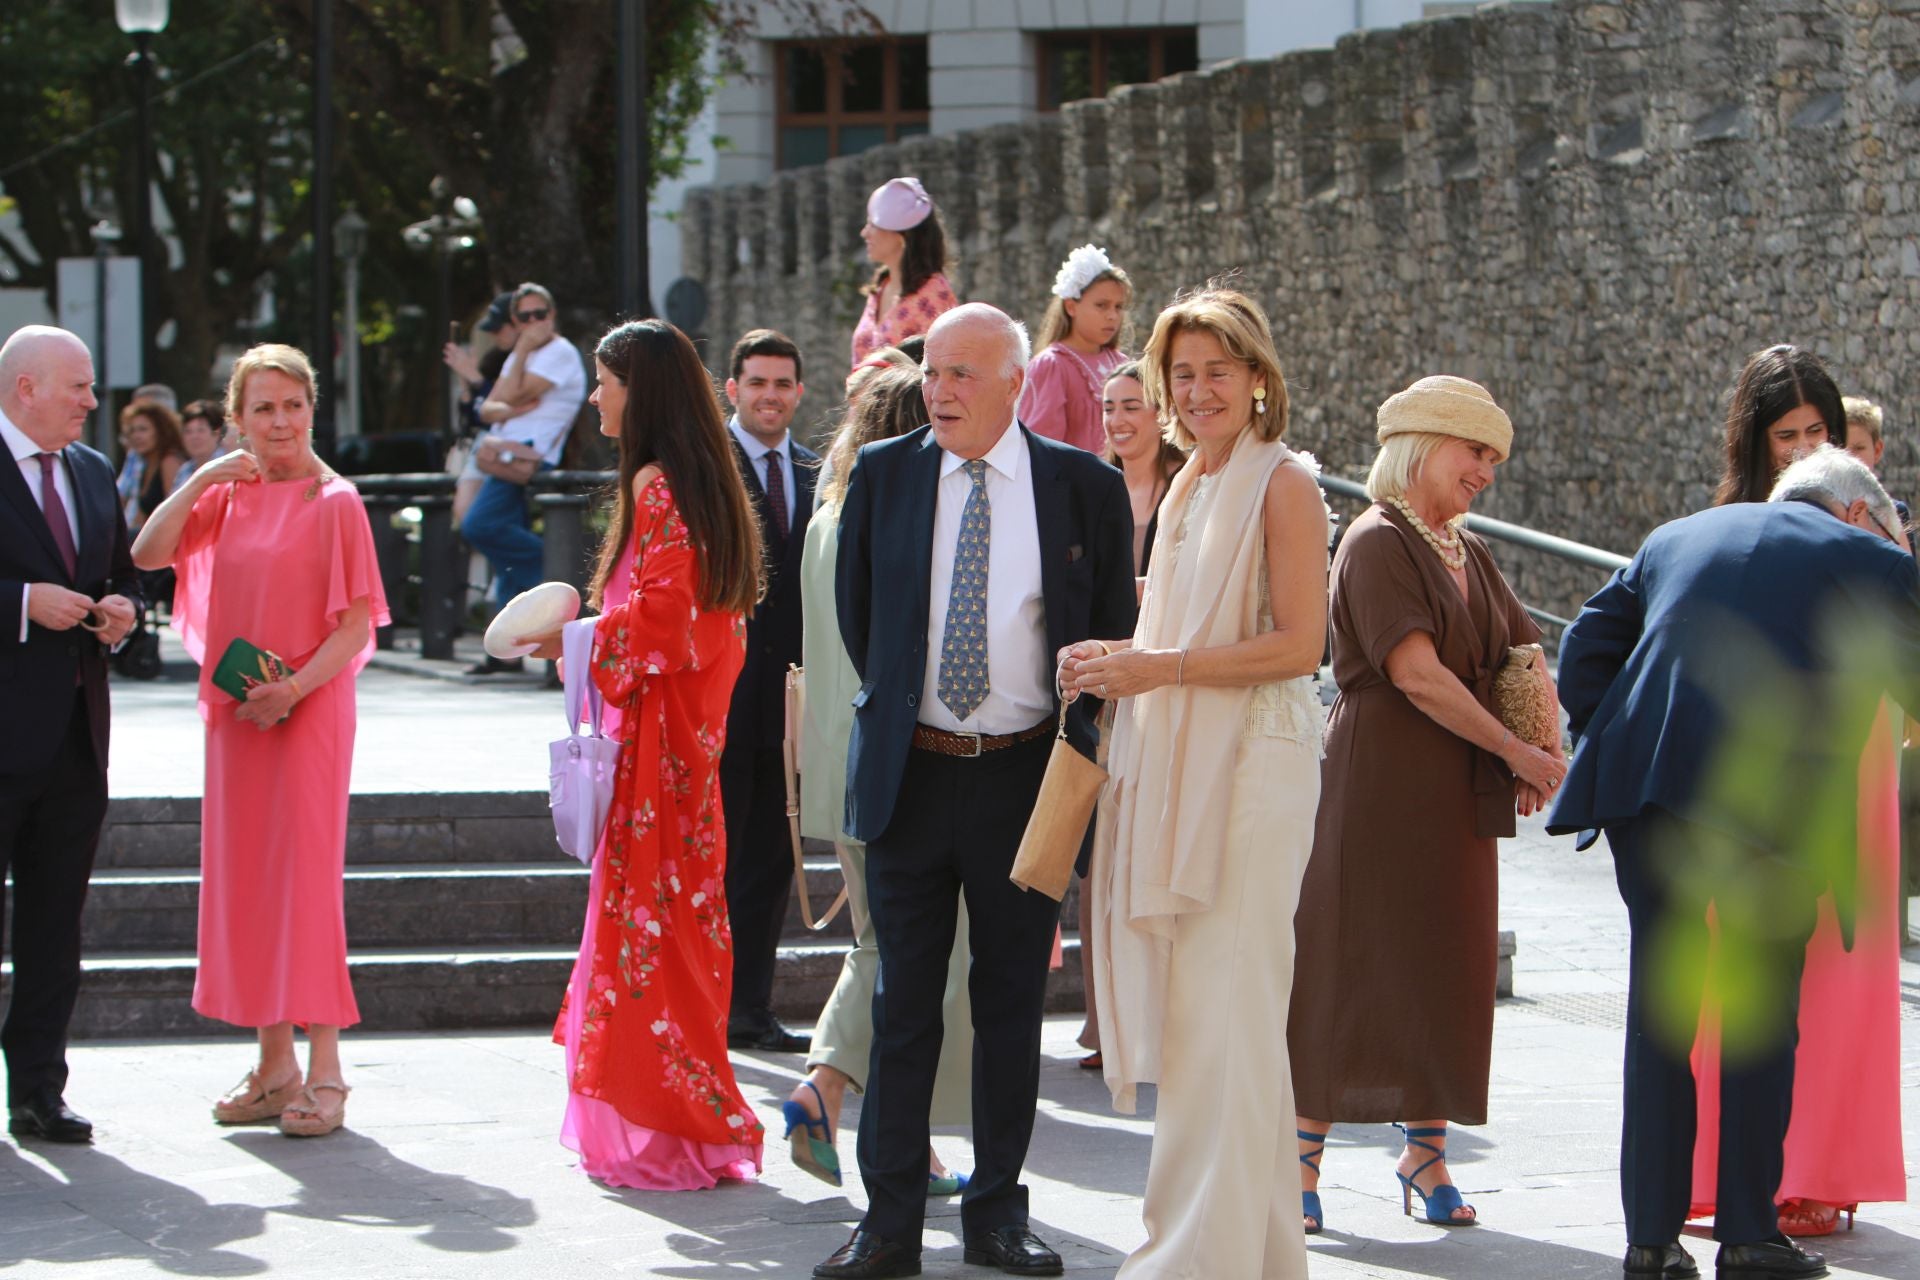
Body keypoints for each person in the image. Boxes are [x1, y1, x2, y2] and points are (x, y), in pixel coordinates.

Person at [1546, 446, 1920, 1280]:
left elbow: (1584, 650)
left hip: (1650, 794)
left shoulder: (1677, 533)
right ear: (1858, 513)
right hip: (1768, 807)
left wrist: (1620, 738)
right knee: (1757, 1019)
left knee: (1661, 1014)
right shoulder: (1862, 554)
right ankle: (1749, 1235)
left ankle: (1651, 1240)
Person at [818, 302, 1135, 1279]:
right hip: (912, 774)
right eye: (933, 372)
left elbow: (1111, 624)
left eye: (961, 373)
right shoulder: (885, 475)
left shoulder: (1081, 486)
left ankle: (997, 1213)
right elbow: (863, 618)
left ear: (1013, 382)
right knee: (904, 1000)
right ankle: (889, 1225)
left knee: (1008, 1006)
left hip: (1025, 780)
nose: (939, 389)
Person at [1066, 287, 1328, 1279]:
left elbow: (1301, 644)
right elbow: (1183, 626)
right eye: (1183, 373)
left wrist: (1156, 667)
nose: (1199, 388)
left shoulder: (1284, 483)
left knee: (1229, 1008)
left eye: (1219, 369)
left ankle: (1191, 1259)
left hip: (1258, 763)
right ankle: (1252, 1257)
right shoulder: (1187, 486)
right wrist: (1119, 652)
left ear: (1259, 378)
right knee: (1216, 1019)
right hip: (1188, 758)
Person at [1290, 376, 1567, 1235]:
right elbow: (1413, 672)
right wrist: (1516, 750)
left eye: (1493, 456)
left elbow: (1524, 647)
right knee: (1348, 960)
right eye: (1473, 450)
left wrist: (1539, 734)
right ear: (1420, 447)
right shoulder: (1375, 539)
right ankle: (1298, 1161)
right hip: (1377, 784)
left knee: (1444, 965)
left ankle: (1425, 1154)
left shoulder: (1465, 549)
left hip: (1451, 789)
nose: (1486, 469)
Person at [132, 344, 389, 1139]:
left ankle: (328, 1070)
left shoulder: (336, 501)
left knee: (305, 879)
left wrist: (293, 690)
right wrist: (202, 478)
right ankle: (274, 1067)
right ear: (236, 419)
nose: (280, 422)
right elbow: (147, 555)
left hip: (308, 713)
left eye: (292, 405)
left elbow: (356, 628)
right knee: (248, 879)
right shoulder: (226, 494)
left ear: (313, 408)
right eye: (262, 409)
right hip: (238, 718)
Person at [533, 319, 766, 1189]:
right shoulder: (695, 486)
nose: (597, 396)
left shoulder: (661, 487)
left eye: (606, 381)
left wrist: (573, 637)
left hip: (657, 769)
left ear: (643, 392)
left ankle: (669, 1131)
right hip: (679, 759)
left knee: (652, 944)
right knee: (678, 941)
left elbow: (667, 624)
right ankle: (687, 1125)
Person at [1687, 359, 1908, 1243]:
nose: (1809, 452)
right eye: (1788, 437)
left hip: (1853, 756)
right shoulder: (1723, 528)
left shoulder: (1868, 530)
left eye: (1820, 433)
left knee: (1841, 972)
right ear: (1755, 444)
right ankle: (1725, 1176)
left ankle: (1822, 1173)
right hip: (1754, 762)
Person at [785, 365, 973, 1195]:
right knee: (903, 951)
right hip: (897, 763)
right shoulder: (887, 517)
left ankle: (914, 1144)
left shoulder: (829, 513)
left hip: (835, 760)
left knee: (900, 947)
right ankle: (824, 1086)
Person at [0, 326, 140, 1145]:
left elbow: (120, 571)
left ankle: (38, 1094)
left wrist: (124, 608)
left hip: (77, 743)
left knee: (56, 931)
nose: (94, 401)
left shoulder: (92, 472)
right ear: (27, 388)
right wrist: (20, 602)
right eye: (80, 387)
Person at [715, 328, 818, 1054]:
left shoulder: (820, 471)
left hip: (791, 706)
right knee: (715, 859)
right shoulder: (705, 469)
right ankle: (705, 1005)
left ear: (799, 393)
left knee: (772, 863)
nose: (770, 396)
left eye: (782, 384)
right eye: (757, 383)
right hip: (719, 697)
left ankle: (750, 1007)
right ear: (733, 390)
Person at [462, 282, 587, 674]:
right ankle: (508, 649)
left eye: (540, 315)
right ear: (515, 321)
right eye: (524, 317)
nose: (533, 324)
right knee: (505, 558)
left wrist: (507, 401)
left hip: (529, 458)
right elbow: (488, 409)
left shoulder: (560, 353)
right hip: (507, 453)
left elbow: (506, 400)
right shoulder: (528, 353)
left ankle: (558, 586)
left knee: (480, 525)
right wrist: (518, 352)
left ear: (552, 316)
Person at [1018, 245, 1131, 453]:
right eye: (1102, 305)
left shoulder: (1122, 364)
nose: (1113, 315)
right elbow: (1042, 449)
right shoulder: (1052, 366)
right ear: (1071, 307)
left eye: (1118, 306)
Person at [849, 177, 958, 369]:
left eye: (872, 224)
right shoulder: (881, 288)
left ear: (900, 236)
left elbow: (941, 366)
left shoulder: (933, 293)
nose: (864, 233)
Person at [1712, 344, 1837, 507]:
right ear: (1755, 440)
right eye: (1787, 436)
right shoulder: (1734, 522)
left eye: (1815, 431)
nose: (1803, 450)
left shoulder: (1853, 514)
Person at [445, 292, 519, 526]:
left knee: (477, 521)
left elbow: (502, 407)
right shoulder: (494, 360)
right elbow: (476, 414)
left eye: (499, 328)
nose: (493, 335)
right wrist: (467, 384)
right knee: (470, 519)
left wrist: (474, 378)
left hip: (509, 448)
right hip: (486, 447)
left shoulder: (525, 361)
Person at [1840, 395, 1907, 526]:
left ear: (1877, 451)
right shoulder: (1819, 511)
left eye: (1859, 448)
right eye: (1841, 448)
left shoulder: (1895, 513)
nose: (1849, 458)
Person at [121, 400, 188, 531]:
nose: (136, 436)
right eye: (132, 431)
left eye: (143, 429)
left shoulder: (169, 462)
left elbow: (175, 511)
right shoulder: (143, 465)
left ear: (160, 431)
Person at [177, 399, 226, 485]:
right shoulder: (185, 470)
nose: (194, 437)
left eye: (201, 430)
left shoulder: (227, 465)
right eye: (188, 431)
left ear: (216, 433)